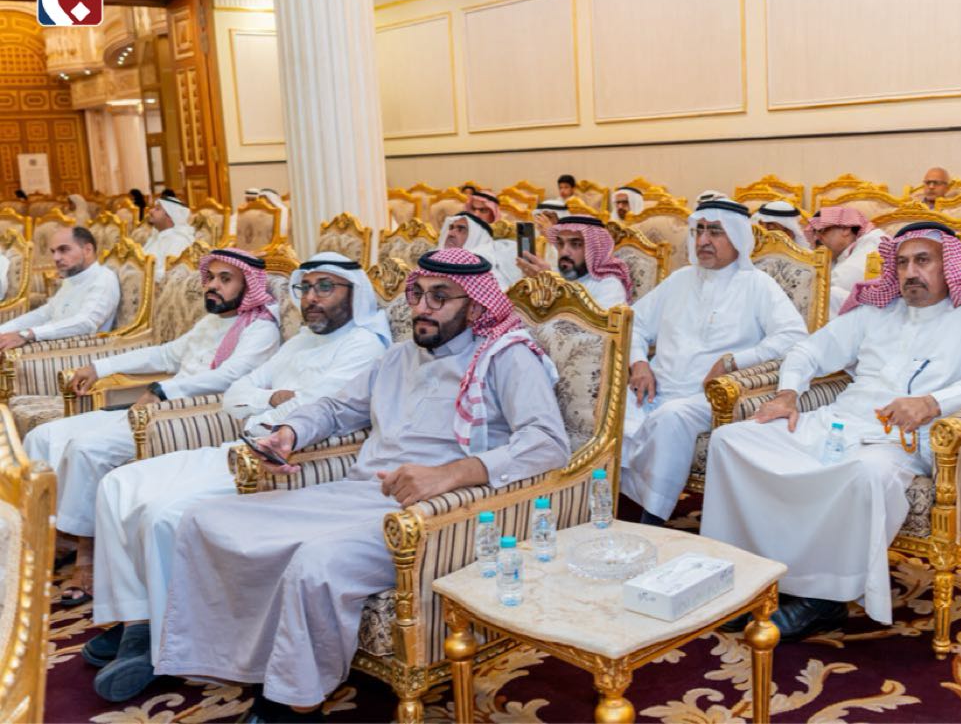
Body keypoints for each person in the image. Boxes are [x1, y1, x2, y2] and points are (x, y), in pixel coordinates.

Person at [154, 248, 569, 719]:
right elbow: (336, 408)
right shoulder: (399, 357)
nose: (422, 307)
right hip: (358, 494)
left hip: (438, 512)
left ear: (475, 307)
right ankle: (230, 661)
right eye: (417, 294)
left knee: (317, 562)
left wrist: (450, 473)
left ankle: (294, 702)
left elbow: (547, 443)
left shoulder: (506, 357)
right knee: (205, 519)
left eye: (439, 297)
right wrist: (290, 433)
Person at [85, 252, 391, 702]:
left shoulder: (364, 345)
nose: (312, 298)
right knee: (118, 484)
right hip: (237, 443)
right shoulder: (300, 340)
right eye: (306, 287)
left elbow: (315, 408)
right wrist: (275, 397)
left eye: (326, 287)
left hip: (286, 460)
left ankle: (166, 639)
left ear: (354, 293)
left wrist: (268, 400)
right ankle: (139, 618)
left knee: (165, 514)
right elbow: (234, 395)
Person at [701, 223, 961, 639]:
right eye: (902, 263)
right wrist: (787, 394)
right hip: (839, 422)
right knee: (731, 441)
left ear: (949, 266)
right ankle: (750, 577)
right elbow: (808, 350)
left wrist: (933, 402)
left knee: (866, 473)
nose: (910, 272)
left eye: (923, 261)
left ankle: (823, 600)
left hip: (898, 440)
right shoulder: (877, 310)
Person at [25, 247, 280, 607]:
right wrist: (100, 367)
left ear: (249, 285)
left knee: (86, 449)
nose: (213, 286)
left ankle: (87, 558)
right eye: (210, 277)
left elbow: (229, 377)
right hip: (158, 405)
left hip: (188, 416)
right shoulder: (211, 321)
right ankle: (53, 536)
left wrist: (163, 391)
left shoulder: (260, 328)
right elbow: (164, 354)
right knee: (43, 436)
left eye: (226, 279)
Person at [621, 199, 808, 524]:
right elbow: (632, 323)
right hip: (657, 388)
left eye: (716, 232)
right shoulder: (680, 279)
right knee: (606, 405)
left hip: (708, 397)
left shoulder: (757, 284)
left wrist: (733, 361)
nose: (704, 240)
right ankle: (609, 505)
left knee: (671, 418)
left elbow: (793, 335)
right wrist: (639, 363)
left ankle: (652, 518)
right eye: (700, 231)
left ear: (737, 236)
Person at [0, 227, 119, 350]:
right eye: (53, 251)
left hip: (72, 352)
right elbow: (44, 314)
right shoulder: (73, 278)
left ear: (87, 250)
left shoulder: (103, 279)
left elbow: (86, 323)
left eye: (64, 250)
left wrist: (26, 334)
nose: (56, 258)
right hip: (47, 345)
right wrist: (2, 331)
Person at [515, 214, 631, 308]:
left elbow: (583, 327)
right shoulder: (556, 273)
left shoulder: (608, 285)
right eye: (560, 243)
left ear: (594, 249)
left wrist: (550, 283)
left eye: (575, 244)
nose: (564, 252)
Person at [805, 207, 887, 317]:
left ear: (845, 229)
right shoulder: (842, 251)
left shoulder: (873, 242)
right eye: (815, 232)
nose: (817, 238)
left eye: (822, 231)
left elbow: (840, 283)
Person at [438, 211, 517, 289]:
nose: (450, 234)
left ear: (476, 236)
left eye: (461, 229)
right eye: (451, 228)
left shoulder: (488, 272)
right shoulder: (435, 257)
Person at [142, 195, 196, 279]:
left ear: (171, 216)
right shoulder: (156, 237)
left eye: (157, 209)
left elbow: (170, 275)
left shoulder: (179, 241)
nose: (151, 211)